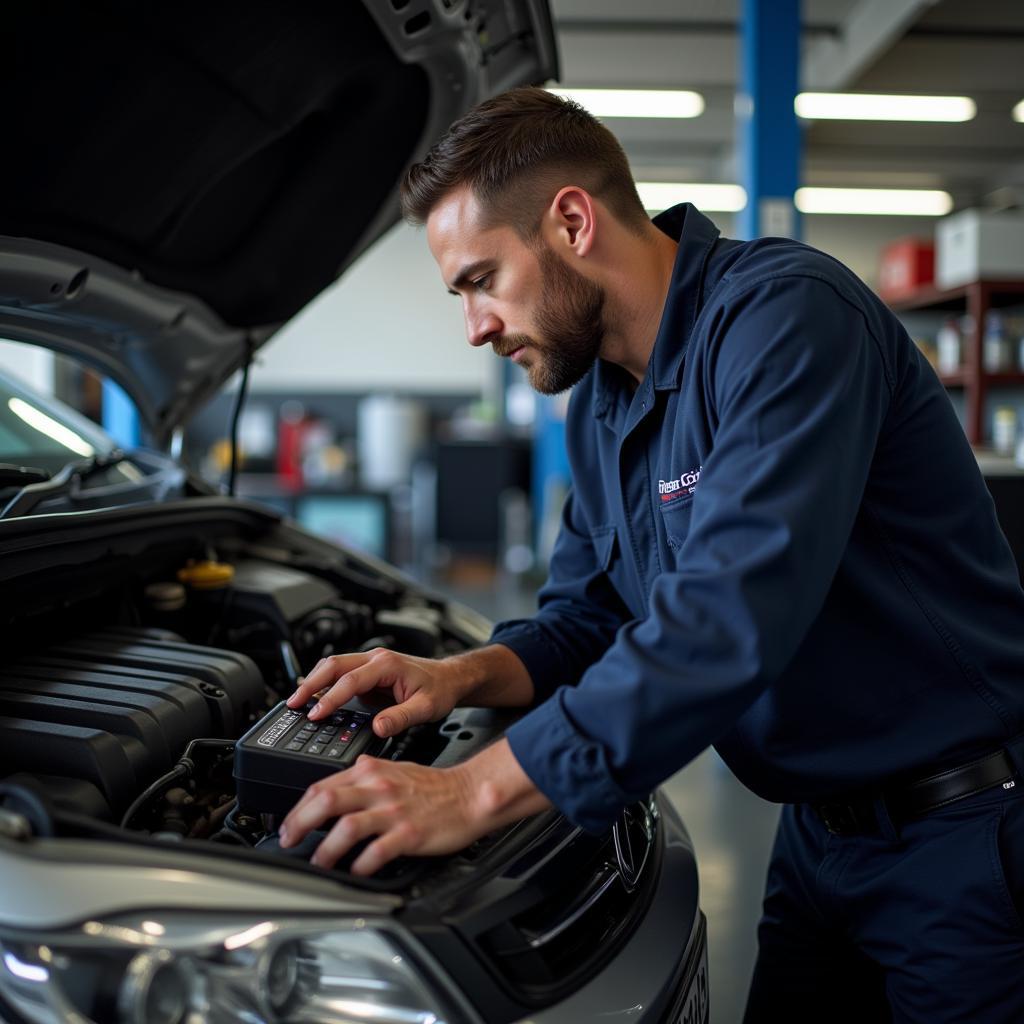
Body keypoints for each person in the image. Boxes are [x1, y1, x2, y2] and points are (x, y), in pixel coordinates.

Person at [279, 87, 1024, 1021]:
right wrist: (455, 677)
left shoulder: (787, 320)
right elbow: (586, 618)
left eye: (480, 280)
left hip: (963, 842)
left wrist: (472, 793)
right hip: (818, 840)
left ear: (572, 222)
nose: (475, 327)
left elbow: (726, 622)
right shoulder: (604, 401)